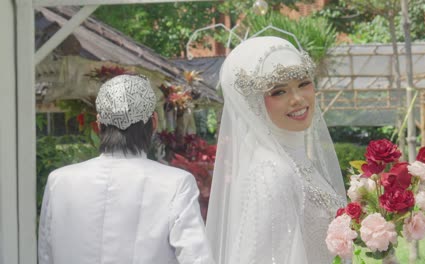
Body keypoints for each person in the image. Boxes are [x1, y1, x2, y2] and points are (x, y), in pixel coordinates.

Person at [38, 74, 214, 264]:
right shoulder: (176, 184)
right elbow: (197, 258)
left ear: (98, 124)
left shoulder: (59, 181)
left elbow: (46, 254)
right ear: (153, 122)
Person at [206, 36, 347, 264]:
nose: (298, 99)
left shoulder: (294, 160)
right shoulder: (272, 172)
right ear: (254, 104)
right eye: (279, 92)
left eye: (303, 83)